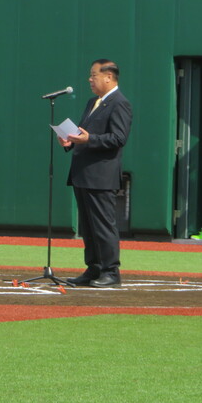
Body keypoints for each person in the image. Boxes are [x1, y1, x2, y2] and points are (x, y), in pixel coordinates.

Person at [58, 59, 132, 288]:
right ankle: (94, 267)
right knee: (88, 227)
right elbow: (83, 133)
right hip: (83, 174)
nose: (90, 79)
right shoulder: (93, 102)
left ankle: (111, 271)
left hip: (101, 175)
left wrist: (89, 139)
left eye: (94, 75)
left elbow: (119, 138)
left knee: (103, 225)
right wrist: (69, 141)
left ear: (109, 76)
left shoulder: (120, 103)